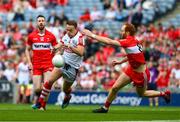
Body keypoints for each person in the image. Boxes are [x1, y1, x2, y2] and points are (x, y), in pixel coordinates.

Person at [81, 23, 171, 113]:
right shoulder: (134, 40)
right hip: (131, 69)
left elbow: (109, 41)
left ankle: (163, 94)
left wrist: (91, 35)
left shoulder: (128, 42)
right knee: (115, 88)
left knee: (141, 94)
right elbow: (132, 55)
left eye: (122, 30)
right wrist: (120, 62)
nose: (121, 32)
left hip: (141, 74)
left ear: (127, 32)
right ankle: (105, 108)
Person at [32, 20, 85, 110]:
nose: (68, 32)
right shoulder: (67, 35)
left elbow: (81, 52)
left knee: (65, 89)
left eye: (70, 30)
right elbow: (61, 43)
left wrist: (70, 46)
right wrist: (54, 48)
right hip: (62, 62)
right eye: (67, 30)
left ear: (76, 29)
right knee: (49, 82)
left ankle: (67, 96)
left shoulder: (80, 38)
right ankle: (40, 102)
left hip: (72, 68)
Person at [25, 15, 57, 104]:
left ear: (45, 22)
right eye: (39, 21)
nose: (41, 22)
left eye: (43, 20)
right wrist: (29, 62)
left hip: (48, 64)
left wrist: (56, 57)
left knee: (47, 86)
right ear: (37, 23)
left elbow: (57, 48)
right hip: (36, 64)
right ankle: (39, 100)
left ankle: (42, 105)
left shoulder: (51, 36)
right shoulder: (31, 36)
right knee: (37, 89)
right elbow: (27, 50)